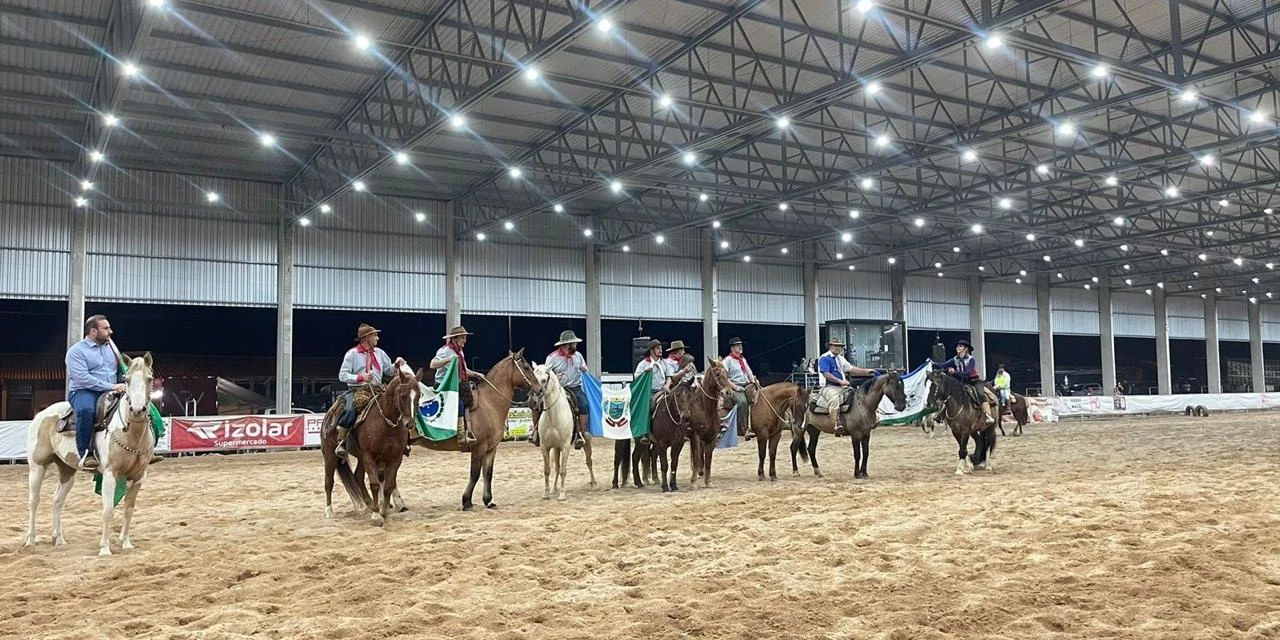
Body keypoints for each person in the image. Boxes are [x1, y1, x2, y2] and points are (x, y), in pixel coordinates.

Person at [65, 315, 126, 471]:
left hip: (113, 387)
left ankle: (145, 448)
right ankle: (86, 453)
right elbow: (84, 379)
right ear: (93, 331)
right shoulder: (76, 352)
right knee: (87, 410)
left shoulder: (112, 348)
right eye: (105, 328)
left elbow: (119, 370)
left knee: (137, 406)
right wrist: (111, 387)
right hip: (84, 391)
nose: (110, 331)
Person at [335, 323, 406, 457]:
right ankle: (342, 440)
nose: (377, 338)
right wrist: (361, 377)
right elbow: (342, 375)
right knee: (350, 409)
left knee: (398, 405)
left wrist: (396, 365)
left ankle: (403, 441)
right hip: (357, 389)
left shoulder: (380, 353)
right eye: (375, 335)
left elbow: (388, 371)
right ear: (366, 338)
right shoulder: (352, 354)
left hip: (378, 389)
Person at [533, 330, 590, 449]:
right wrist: (555, 377)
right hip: (556, 389)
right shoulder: (552, 358)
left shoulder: (578, 356)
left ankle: (580, 434)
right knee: (537, 404)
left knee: (583, 404)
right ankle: (535, 431)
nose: (575, 345)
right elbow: (544, 372)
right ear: (567, 344)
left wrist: (585, 369)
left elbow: (584, 368)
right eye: (573, 343)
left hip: (574, 387)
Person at [429, 326, 485, 449]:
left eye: (465, 337)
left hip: (456, 384)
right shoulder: (444, 351)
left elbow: (464, 370)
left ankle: (469, 430)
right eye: (463, 338)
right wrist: (449, 359)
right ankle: (460, 434)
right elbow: (432, 364)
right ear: (455, 339)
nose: (465, 340)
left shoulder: (460, 351)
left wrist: (476, 374)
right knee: (459, 403)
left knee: (470, 399)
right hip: (444, 385)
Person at [932, 338, 994, 424]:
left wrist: (954, 372)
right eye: (957, 346)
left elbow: (968, 373)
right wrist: (931, 363)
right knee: (950, 394)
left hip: (974, 381)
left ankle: (988, 415)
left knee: (980, 394)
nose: (958, 347)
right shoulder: (955, 359)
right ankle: (941, 414)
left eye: (960, 346)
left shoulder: (971, 359)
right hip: (962, 382)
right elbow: (942, 365)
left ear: (966, 349)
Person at [723, 337, 759, 440]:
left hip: (746, 384)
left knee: (760, 395)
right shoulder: (727, 360)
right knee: (743, 402)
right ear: (732, 348)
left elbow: (749, 372)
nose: (740, 347)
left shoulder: (742, 359)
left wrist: (753, 381)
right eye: (738, 345)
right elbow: (724, 377)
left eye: (741, 345)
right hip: (734, 387)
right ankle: (745, 429)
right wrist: (735, 387)